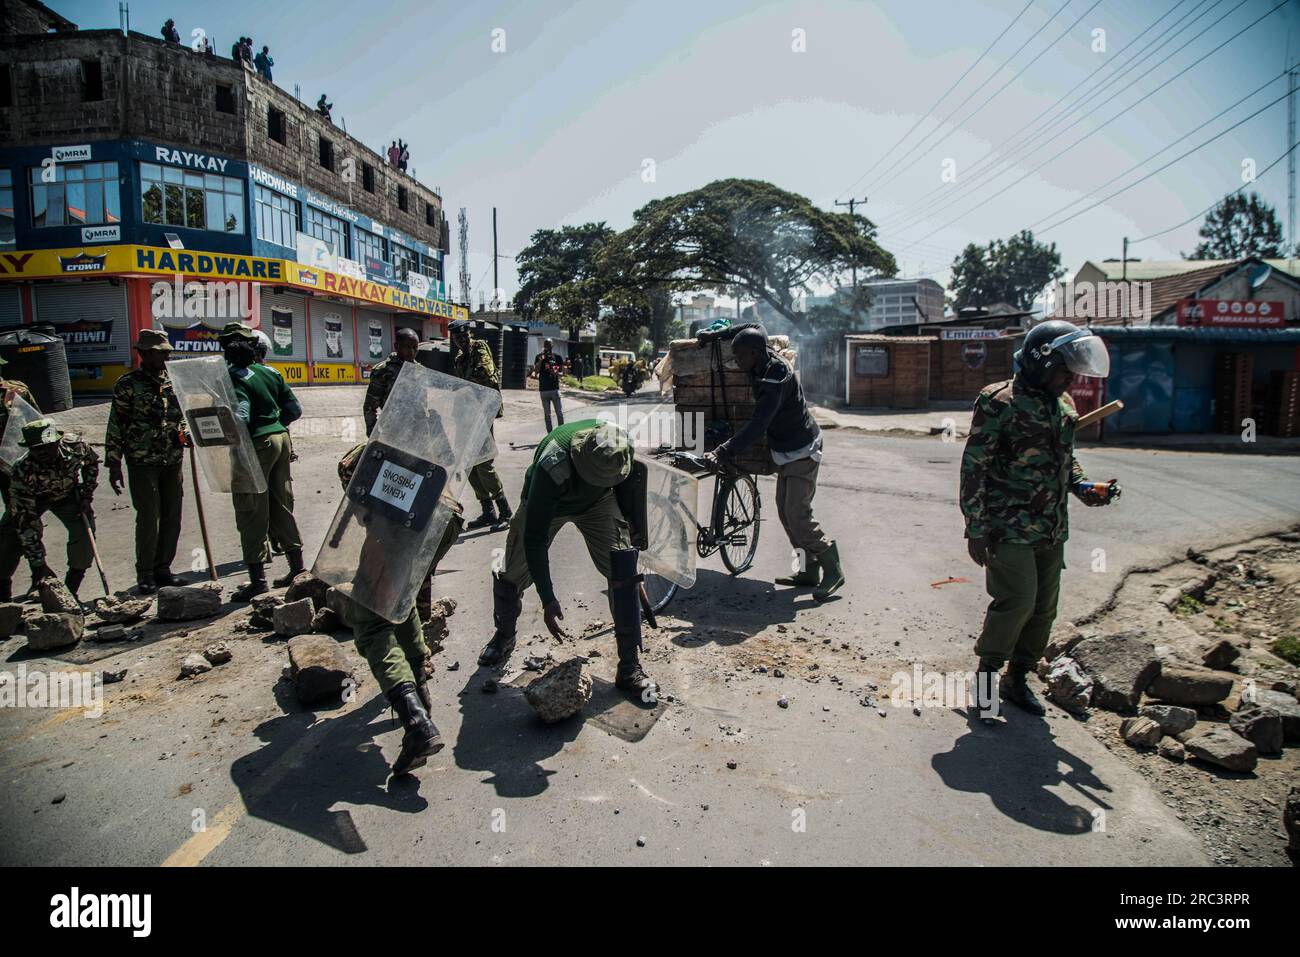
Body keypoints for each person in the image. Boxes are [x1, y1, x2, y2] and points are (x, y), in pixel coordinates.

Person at [961, 319, 1120, 716]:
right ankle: (987, 676)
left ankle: (1017, 678)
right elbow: (974, 467)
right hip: (1006, 526)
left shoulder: (1062, 404)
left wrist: (1085, 487)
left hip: (1051, 527)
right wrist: (976, 528)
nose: (1071, 378)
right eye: (1066, 369)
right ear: (1042, 362)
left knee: (1044, 608)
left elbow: (1066, 459)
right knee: (1017, 601)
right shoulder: (998, 401)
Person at [476, 420, 655, 696]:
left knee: (622, 570)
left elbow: (629, 491)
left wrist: (629, 570)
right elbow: (534, 538)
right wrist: (548, 598)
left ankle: (629, 667)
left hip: (598, 503)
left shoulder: (620, 446)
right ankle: (504, 635)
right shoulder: (552, 466)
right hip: (552, 504)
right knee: (510, 571)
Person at [336, 443, 464, 775]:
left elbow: (376, 522)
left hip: (399, 529)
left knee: (371, 622)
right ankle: (421, 692)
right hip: (444, 519)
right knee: (400, 602)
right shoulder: (403, 450)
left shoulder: (361, 468)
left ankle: (417, 724)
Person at [699, 323, 843, 600]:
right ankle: (808, 570)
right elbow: (755, 326)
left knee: (798, 514)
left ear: (754, 352)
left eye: (740, 356)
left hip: (802, 448)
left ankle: (833, 568)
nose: (737, 362)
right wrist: (717, 335)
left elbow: (758, 425)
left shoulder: (775, 378)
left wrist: (721, 452)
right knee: (784, 511)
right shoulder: (760, 360)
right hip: (784, 449)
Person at [220, 322, 303, 601]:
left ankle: (258, 580)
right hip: (281, 439)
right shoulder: (269, 372)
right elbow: (294, 409)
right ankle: (298, 570)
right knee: (281, 504)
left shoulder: (234, 376)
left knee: (251, 508)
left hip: (255, 445)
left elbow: (241, 414)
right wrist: (275, 424)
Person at [104, 329, 188, 595]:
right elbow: (116, 423)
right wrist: (113, 462)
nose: (166, 357)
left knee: (173, 514)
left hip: (172, 457)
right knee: (149, 517)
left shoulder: (173, 380)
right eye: (160, 353)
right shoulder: (128, 384)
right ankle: (146, 573)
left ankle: (164, 568)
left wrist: (185, 432)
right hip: (142, 460)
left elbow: (182, 414)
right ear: (144, 354)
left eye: (167, 352)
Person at [3, 419, 99, 598]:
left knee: (85, 537)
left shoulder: (77, 447)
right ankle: (3, 592)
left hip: (67, 495)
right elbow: (26, 522)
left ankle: (69, 592)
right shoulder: (22, 469)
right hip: (35, 499)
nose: (42, 453)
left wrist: (86, 494)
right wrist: (38, 564)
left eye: (46, 447)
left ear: (57, 442)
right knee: (8, 537)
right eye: (36, 449)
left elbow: (92, 463)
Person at [448, 320, 512, 530]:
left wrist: (463, 388)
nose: (462, 340)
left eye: (464, 336)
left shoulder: (480, 348)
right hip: (465, 415)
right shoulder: (460, 358)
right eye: (457, 338)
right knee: (468, 464)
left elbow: (485, 372)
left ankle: (505, 511)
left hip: (482, 413)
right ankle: (488, 511)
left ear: (470, 334)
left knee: (483, 463)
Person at [0, 360, 39, 601]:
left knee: (22, 519)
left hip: (13, 467)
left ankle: (38, 576)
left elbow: (35, 421)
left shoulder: (17, 391)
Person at [533, 339, 565, 433]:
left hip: (554, 388)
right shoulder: (539, 357)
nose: (547, 347)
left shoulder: (558, 357)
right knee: (547, 414)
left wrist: (557, 373)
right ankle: (549, 434)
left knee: (559, 413)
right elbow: (536, 371)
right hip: (543, 390)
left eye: (549, 344)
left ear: (552, 345)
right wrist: (540, 361)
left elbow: (562, 372)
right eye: (545, 344)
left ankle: (561, 432)